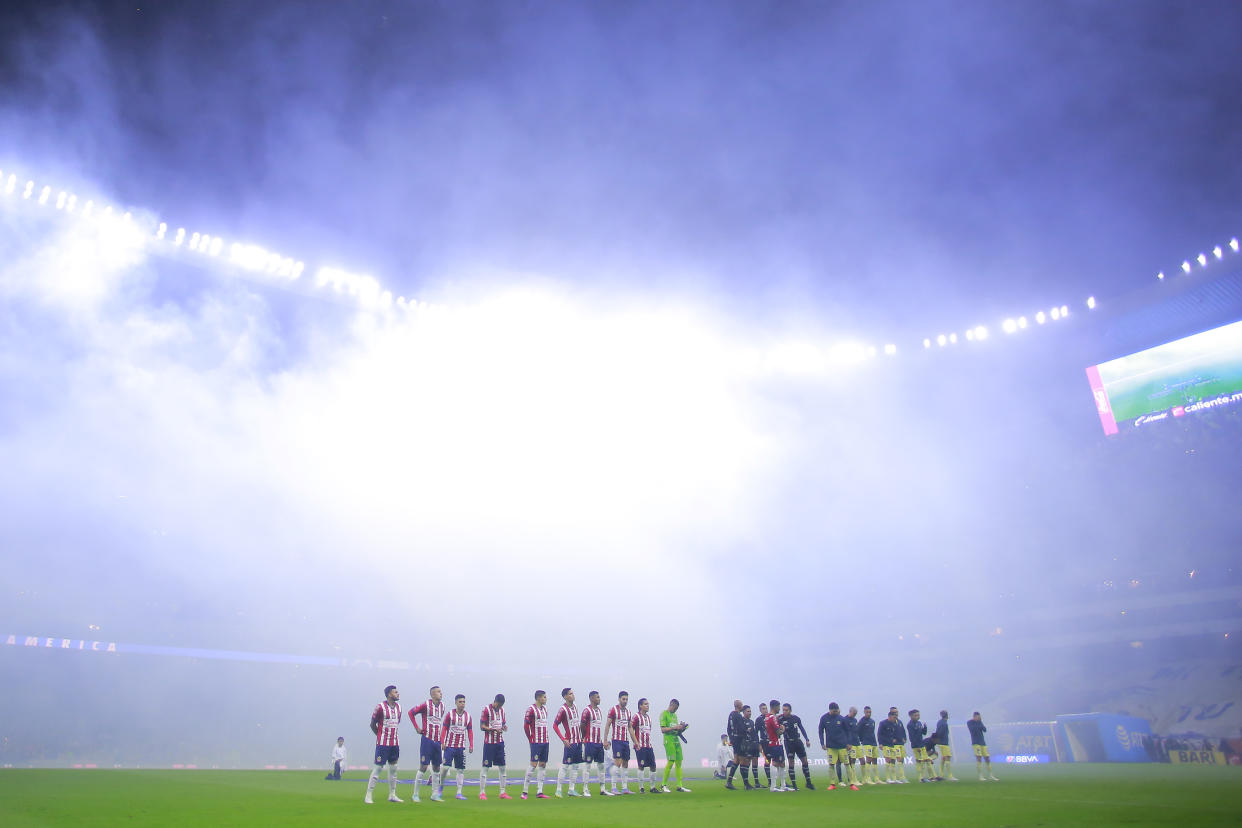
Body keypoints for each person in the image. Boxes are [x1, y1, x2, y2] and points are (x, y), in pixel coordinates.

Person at [407, 685, 446, 802]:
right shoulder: (425, 705)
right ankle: (415, 794)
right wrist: (417, 728)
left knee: (436, 767)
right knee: (423, 766)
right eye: (438, 692)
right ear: (433, 694)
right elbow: (411, 713)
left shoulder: (442, 706)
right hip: (427, 739)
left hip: (437, 741)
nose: (441, 693)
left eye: (441, 691)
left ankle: (434, 794)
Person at [365, 685, 403, 804]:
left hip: (394, 743)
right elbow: (372, 724)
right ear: (389, 694)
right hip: (383, 744)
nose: (398, 694)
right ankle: (368, 795)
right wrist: (380, 736)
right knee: (378, 768)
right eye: (395, 692)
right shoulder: (380, 707)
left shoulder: (399, 708)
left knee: (394, 769)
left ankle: (392, 794)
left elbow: (397, 723)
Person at [478, 693, 512, 800]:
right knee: (485, 767)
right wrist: (492, 729)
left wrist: (504, 727)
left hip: (499, 743)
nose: (499, 707)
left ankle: (503, 792)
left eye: (501, 705)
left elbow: (502, 724)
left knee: (502, 767)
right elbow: (482, 726)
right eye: (498, 704)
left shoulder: (502, 711)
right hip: (489, 743)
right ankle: (482, 792)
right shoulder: (486, 710)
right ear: (495, 701)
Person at [441, 694, 474, 800]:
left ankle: (459, 792)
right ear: (456, 702)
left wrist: (471, 744)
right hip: (450, 746)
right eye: (460, 702)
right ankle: (440, 788)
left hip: (461, 747)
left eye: (464, 702)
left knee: (460, 770)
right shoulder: (450, 714)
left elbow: (470, 731)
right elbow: (444, 729)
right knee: (446, 768)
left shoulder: (468, 716)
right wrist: (443, 742)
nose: (462, 704)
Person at [552, 688, 583, 798]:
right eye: (570, 694)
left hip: (578, 741)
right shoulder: (563, 709)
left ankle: (571, 789)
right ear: (565, 696)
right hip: (570, 742)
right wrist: (563, 739)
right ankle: (558, 790)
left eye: (572, 693)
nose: (572, 695)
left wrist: (582, 737)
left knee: (575, 766)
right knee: (565, 765)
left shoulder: (575, 707)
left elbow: (577, 724)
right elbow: (555, 725)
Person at [818, 702, 857, 790]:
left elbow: (848, 731)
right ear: (830, 710)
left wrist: (849, 743)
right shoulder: (824, 718)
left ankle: (852, 784)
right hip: (831, 746)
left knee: (847, 764)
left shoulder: (841, 719)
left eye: (837, 711)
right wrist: (822, 743)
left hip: (842, 746)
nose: (835, 712)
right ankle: (832, 784)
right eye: (834, 711)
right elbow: (820, 731)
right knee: (831, 765)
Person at [522, 690, 551, 799]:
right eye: (544, 697)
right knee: (533, 765)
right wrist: (530, 738)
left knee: (542, 765)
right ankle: (524, 792)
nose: (545, 698)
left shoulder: (545, 709)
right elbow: (526, 725)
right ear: (538, 698)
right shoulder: (531, 709)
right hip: (536, 742)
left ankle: (540, 791)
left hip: (545, 741)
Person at [778, 703, 814, 789]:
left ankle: (808, 783)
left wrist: (807, 739)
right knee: (791, 762)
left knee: (805, 761)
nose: (784, 712)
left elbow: (801, 728)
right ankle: (794, 785)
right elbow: (777, 730)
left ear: (790, 710)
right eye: (783, 710)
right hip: (788, 743)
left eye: (786, 710)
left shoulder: (796, 718)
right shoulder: (780, 719)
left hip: (798, 742)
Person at [631, 697, 662, 793]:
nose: (647, 706)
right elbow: (630, 728)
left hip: (648, 746)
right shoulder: (636, 716)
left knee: (653, 765)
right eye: (645, 704)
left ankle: (652, 787)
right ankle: (641, 787)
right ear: (640, 706)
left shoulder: (648, 718)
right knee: (641, 765)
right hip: (640, 746)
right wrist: (636, 742)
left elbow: (648, 731)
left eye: (648, 704)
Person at [605, 691, 633, 795]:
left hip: (625, 741)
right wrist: (605, 739)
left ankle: (625, 788)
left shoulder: (629, 712)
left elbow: (630, 727)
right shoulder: (613, 710)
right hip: (616, 740)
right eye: (623, 699)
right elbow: (608, 725)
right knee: (618, 762)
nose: (625, 701)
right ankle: (613, 787)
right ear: (619, 699)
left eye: (626, 699)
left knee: (625, 763)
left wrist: (635, 741)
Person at [659, 698, 691, 792]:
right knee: (671, 761)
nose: (676, 710)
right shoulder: (664, 714)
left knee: (679, 762)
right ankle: (663, 785)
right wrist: (675, 727)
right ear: (671, 705)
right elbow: (663, 730)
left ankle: (679, 786)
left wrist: (682, 728)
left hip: (676, 739)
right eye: (675, 708)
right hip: (668, 740)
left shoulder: (674, 716)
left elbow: (676, 731)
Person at [580, 690, 608, 796]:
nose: (599, 699)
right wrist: (584, 738)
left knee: (601, 765)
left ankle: (602, 789)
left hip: (598, 743)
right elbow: (582, 725)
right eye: (597, 697)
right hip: (590, 742)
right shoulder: (587, 711)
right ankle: (585, 789)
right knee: (587, 766)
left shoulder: (599, 710)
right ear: (591, 698)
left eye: (599, 697)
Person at [725, 701, 757, 789]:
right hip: (739, 740)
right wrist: (747, 730)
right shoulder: (738, 715)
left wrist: (731, 738)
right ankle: (746, 784)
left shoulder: (731, 714)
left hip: (735, 740)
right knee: (743, 761)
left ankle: (729, 782)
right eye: (741, 704)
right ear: (739, 706)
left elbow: (728, 728)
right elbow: (741, 728)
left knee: (736, 761)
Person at [762, 698, 789, 792]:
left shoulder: (767, 717)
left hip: (774, 743)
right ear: (774, 707)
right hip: (775, 743)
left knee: (781, 763)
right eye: (778, 707)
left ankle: (783, 785)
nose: (779, 709)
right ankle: (773, 787)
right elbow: (778, 732)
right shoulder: (772, 717)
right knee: (775, 763)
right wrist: (783, 729)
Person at [967, 712, 999, 781]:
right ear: (974, 716)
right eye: (978, 717)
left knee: (987, 758)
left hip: (982, 743)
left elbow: (984, 730)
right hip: (976, 743)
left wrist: (980, 722)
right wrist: (978, 723)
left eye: (979, 717)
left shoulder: (979, 722)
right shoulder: (970, 722)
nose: (979, 718)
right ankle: (980, 776)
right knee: (979, 758)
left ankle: (991, 775)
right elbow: (973, 730)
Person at [877, 707, 904, 783]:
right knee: (888, 760)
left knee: (893, 761)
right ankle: (888, 778)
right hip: (885, 745)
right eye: (894, 717)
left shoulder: (893, 724)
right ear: (890, 716)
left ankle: (894, 778)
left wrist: (894, 739)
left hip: (892, 745)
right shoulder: (883, 723)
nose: (895, 719)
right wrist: (880, 743)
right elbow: (879, 734)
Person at [907, 709, 933, 782]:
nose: (917, 717)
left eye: (918, 715)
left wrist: (925, 728)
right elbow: (912, 737)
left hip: (922, 745)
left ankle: (931, 777)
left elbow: (923, 733)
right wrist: (917, 746)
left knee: (927, 760)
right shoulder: (910, 725)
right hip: (916, 746)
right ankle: (921, 778)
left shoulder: (919, 723)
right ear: (911, 716)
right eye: (915, 715)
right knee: (919, 761)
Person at [857, 706, 880, 785]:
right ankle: (867, 778)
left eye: (870, 712)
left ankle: (877, 778)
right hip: (867, 743)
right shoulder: (861, 721)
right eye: (867, 712)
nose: (868, 713)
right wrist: (862, 740)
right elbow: (858, 732)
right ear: (864, 712)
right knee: (868, 759)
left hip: (873, 742)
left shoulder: (872, 721)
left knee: (875, 760)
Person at [935, 710, 957, 781]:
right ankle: (950, 776)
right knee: (947, 757)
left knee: (944, 758)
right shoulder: (943, 723)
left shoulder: (940, 722)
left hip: (941, 743)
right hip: (944, 743)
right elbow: (940, 732)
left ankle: (941, 775)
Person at [755, 702, 773, 787]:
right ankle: (770, 781)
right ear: (760, 710)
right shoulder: (759, 719)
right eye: (763, 709)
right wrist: (759, 744)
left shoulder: (771, 717)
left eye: (766, 708)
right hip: (765, 743)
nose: (765, 710)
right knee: (767, 761)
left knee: (778, 761)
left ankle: (781, 781)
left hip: (773, 742)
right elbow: (756, 733)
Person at [845, 706, 863, 787]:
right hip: (850, 743)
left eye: (856, 714)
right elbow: (845, 732)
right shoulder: (845, 720)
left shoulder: (855, 720)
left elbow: (857, 731)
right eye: (854, 713)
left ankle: (864, 778)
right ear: (850, 711)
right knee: (852, 760)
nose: (855, 715)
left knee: (861, 759)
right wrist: (847, 742)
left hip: (857, 742)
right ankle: (852, 779)